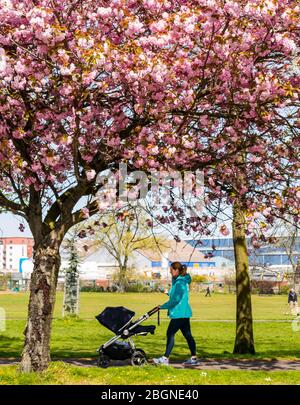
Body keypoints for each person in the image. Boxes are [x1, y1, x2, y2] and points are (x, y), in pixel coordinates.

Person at [153, 262, 198, 366]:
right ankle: (194, 358)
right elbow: (176, 295)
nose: (170, 271)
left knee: (170, 333)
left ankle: (165, 358)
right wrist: (166, 292)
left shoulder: (179, 283)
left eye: (171, 270)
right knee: (188, 336)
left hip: (179, 313)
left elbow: (176, 300)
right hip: (184, 313)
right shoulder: (180, 281)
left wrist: (162, 306)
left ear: (177, 270)